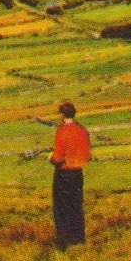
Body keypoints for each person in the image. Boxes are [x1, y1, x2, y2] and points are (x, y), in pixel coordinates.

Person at [49, 101, 91, 248]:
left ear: (62, 115)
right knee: (76, 205)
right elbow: (87, 154)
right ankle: (78, 238)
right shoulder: (82, 130)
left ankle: (64, 239)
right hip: (78, 172)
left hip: (64, 172)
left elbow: (58, 157)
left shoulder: (62, 131)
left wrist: (51, 158)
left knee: (62, 207)